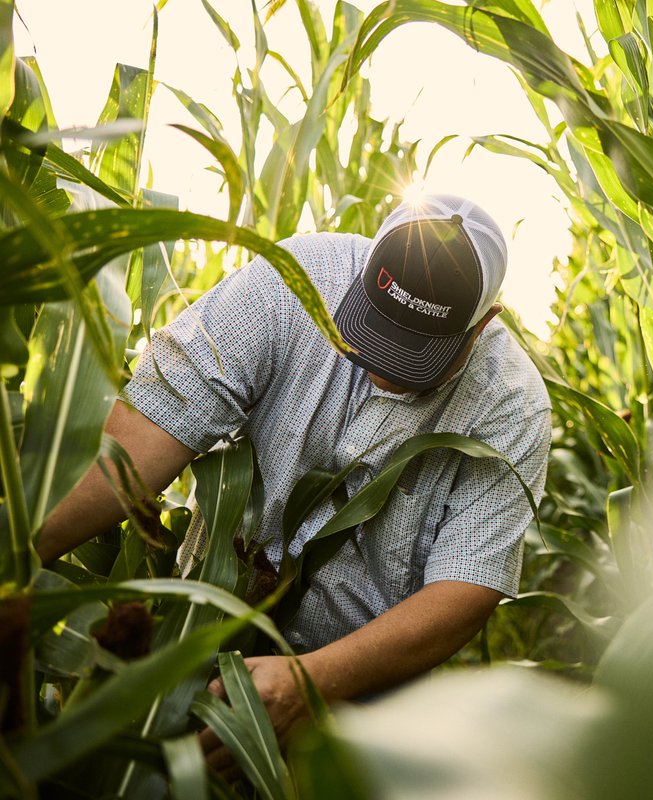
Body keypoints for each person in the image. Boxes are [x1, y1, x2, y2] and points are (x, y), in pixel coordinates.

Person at [36, 194, 553, 767]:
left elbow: (465, 587)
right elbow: (148, 431)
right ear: (365, 270)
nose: (384, 368)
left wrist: (314, 681)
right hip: (198, 630)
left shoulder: (512, 405)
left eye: (415, 354)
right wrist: (21, 556)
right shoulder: (291, 284)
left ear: (483, 324)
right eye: (374, 331)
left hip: (361, 697)